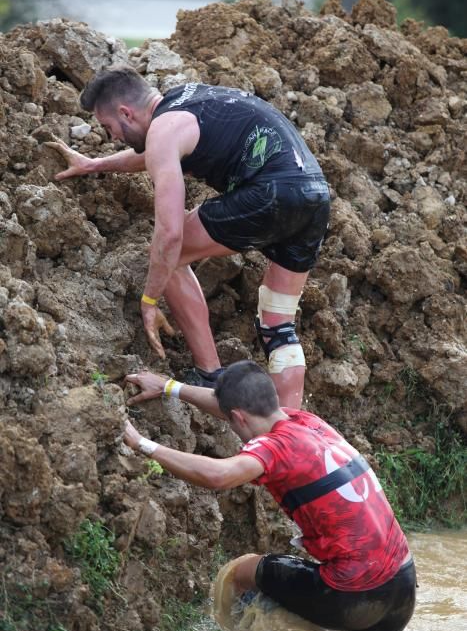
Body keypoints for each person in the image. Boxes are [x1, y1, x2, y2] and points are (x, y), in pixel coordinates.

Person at [47, 68, 330, 407]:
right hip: (314, 194)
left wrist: (150, 299)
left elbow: (169, 235)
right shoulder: (185, 101)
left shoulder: (163, 130)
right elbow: (155, 154)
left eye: (109, 128)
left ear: (126, 112)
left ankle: (209, 373)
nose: (112, 138)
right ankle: (290, 427)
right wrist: (94, 165)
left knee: (169, 257)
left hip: (269, 193)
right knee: (277, 319)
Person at [123, 361, 416, 631]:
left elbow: (218, 475)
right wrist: (168, 387)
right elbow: (227, 406)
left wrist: (140, 443)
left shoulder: (273, 448)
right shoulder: (308, 422)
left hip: (355, 593)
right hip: (402, 587)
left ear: (238, 418)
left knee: (241, 573)